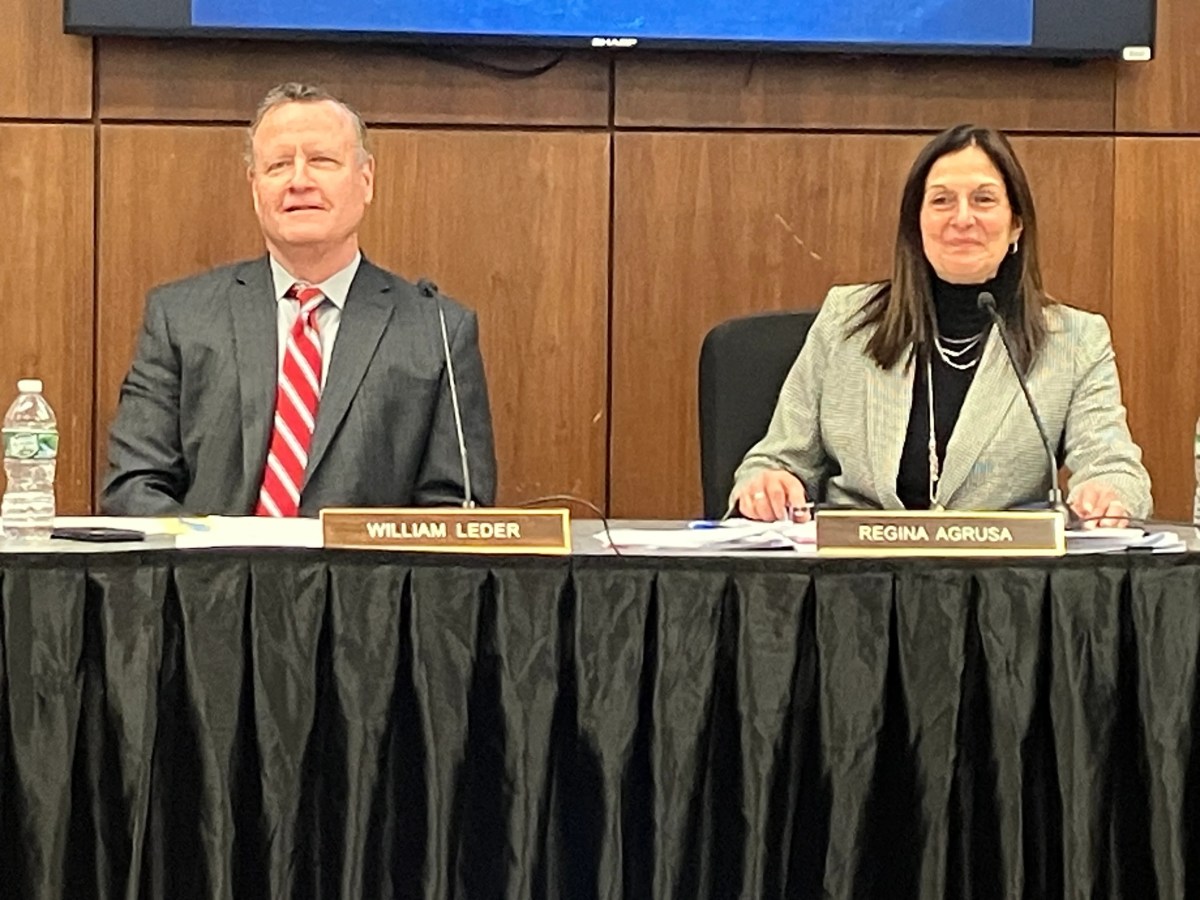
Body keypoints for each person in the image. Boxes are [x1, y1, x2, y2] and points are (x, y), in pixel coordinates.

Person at [101, 83, 496, 516]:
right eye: (278, 165)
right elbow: (133, 488)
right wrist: (222, 559)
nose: (299, 181)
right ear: (255, 189)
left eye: (322, 161)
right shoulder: (181, 317)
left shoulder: (436, 329)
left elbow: (456, 514)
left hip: (367, 583)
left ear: (366, 181)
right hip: (213, 578)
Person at [731, 124, 1151, 527]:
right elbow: (776, 460)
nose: (962, 218)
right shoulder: (846, 320)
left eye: (984, 200)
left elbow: (1114, 467)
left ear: (1016, 225)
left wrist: (1107, 494)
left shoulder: (1075, 339)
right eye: (942, 201)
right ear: (917, 222)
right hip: (855, 582)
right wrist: (769, 483)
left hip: (999, 586)